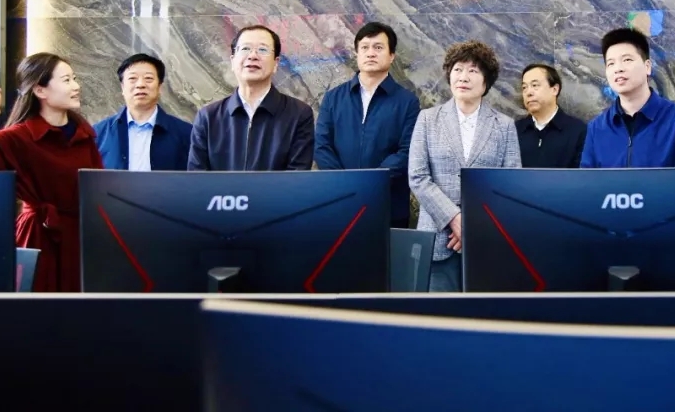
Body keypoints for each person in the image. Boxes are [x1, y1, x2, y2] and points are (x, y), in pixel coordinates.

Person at [0, 52, 104, 292]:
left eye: (74, 79)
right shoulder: (18, 137)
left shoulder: (84, 134)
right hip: (38, 234)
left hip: (80, 236)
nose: (76, 86)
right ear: (40, 90)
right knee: (36, 305)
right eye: (66, 80)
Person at [408, 40, 522, 292]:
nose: (463, 77)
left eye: (473, 70)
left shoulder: (504, 125)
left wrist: (474, 223)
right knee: (437, 313)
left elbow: (510, 185)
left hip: (485, 240)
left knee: (483, 312)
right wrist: (454, 218)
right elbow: (418, 177)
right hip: (436, 239)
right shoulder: (427, 119)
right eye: (458, 69)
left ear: (486, 82)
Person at [315, 22, 421, 227]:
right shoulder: (333, 98)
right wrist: (346, 185)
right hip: (340, 202)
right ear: (357, 54)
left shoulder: (407, 102)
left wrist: (371, 183)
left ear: (392, 56)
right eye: (364, 47)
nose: (370, 53)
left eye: (378, 47)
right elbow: (322, 146)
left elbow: (407, 151)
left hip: (388, 206)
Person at [188, 25, 314, 171]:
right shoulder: (208, 117)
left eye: (262, 50)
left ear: (276, 63)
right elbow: (197, 177)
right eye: (245, 48)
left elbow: (296, 177)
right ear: (233, 61)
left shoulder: (298, 114)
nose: (253, 56)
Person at [580, 28, 675, 168]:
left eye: (627, 60)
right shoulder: (597, 128)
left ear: (647, 67)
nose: (618, 69)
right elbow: (588, 179)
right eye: (611, 63)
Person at [93, 53, 193, 171]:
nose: (140, 85)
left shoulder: (186, 133)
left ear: (160, 87)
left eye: (148, 79)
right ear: (122, 87)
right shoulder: (98, 134)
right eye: (132, 79)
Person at [515, 64, 586, 168]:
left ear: (554, 89)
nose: (528, 92)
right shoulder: (514, 131)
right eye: (524, 87)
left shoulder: (577, 130)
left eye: (535, 85)